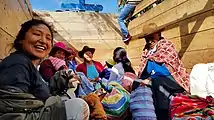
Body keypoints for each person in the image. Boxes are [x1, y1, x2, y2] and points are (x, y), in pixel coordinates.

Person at [0, 19, 89, 120]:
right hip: (36, 114)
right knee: (78, 106)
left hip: (41, 109)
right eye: (37, 34)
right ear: (21, 39)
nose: (43, 41)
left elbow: (40, 90)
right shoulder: (17, 64)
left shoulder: (31, 66)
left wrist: (62, 79)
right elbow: (11, 114)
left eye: (48, 38)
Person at [137, 23, 190, 120]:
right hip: (155, 79)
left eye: (151, 37)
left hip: (172, 79)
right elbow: (144, 69)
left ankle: (163, 114)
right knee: (137, 83)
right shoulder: (146, 51)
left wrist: (150, 78)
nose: (149, 41)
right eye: (146, 38)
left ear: (158, 34)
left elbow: (165, 71)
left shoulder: (166, 46)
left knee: (157, 82)